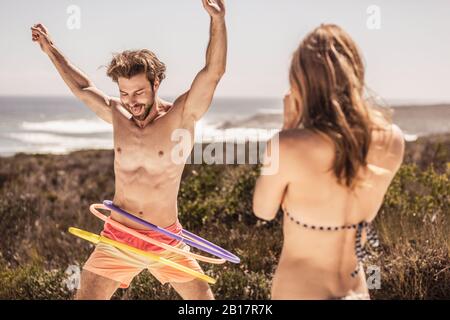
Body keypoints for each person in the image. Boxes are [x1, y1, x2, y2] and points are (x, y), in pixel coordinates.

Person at [31, 0, 227, 300]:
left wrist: (217, 20)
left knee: (203, 304)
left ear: (156, 83)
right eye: (124, 93)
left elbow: (212, 72)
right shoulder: (117, 114)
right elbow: (82, 88)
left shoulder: (181, 115)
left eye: (138, 92)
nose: (131, 101)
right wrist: (50, 49)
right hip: (118, 237)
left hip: (166, 238)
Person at [253, 24, 405, 300]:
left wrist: (288, 128)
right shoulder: (392, 139)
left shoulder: (288, 145)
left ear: (303, 84)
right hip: (356, 291)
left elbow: (263, 210)